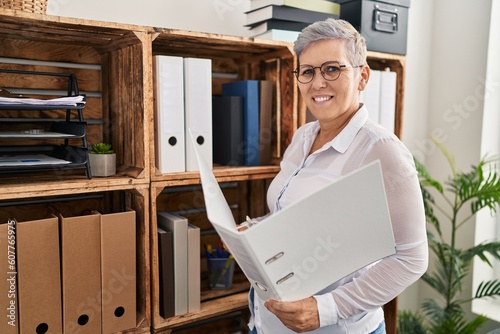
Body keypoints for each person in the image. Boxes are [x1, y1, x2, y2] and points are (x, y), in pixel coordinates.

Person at [247, 18, 428, 333]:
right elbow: (295, 215)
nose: (318, 83)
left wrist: (325, 309)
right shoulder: (303, 137)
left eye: (332, 69)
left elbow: (411, 258)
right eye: (308, 71)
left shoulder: (382, 151)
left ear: (362, 76)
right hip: (268, 321)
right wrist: (252, 235)